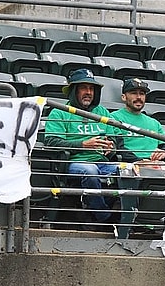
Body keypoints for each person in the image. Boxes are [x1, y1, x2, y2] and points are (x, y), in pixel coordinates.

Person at [43, 69, 122, 227]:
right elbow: (51, 141)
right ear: (74, 91)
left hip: (102, 162)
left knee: (127, 171)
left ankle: (106, 214)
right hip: (73, 163)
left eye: (91, 89)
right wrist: (82, 144)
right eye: (84, 88)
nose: (89, 92)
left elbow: (115, 137)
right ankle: (104, 217)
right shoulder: (59, 112)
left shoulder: (102, 112)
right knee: (90, 171)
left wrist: (111, 146)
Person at [111, 78, 165, 163]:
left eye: (142, 94)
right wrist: (141, 161)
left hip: (156, 165)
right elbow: (117, 148)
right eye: (134, 93)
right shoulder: (113, 118)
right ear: (124, 97)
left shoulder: (154, 123)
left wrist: (164, 152)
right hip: (130, 166)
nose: (139, 97)